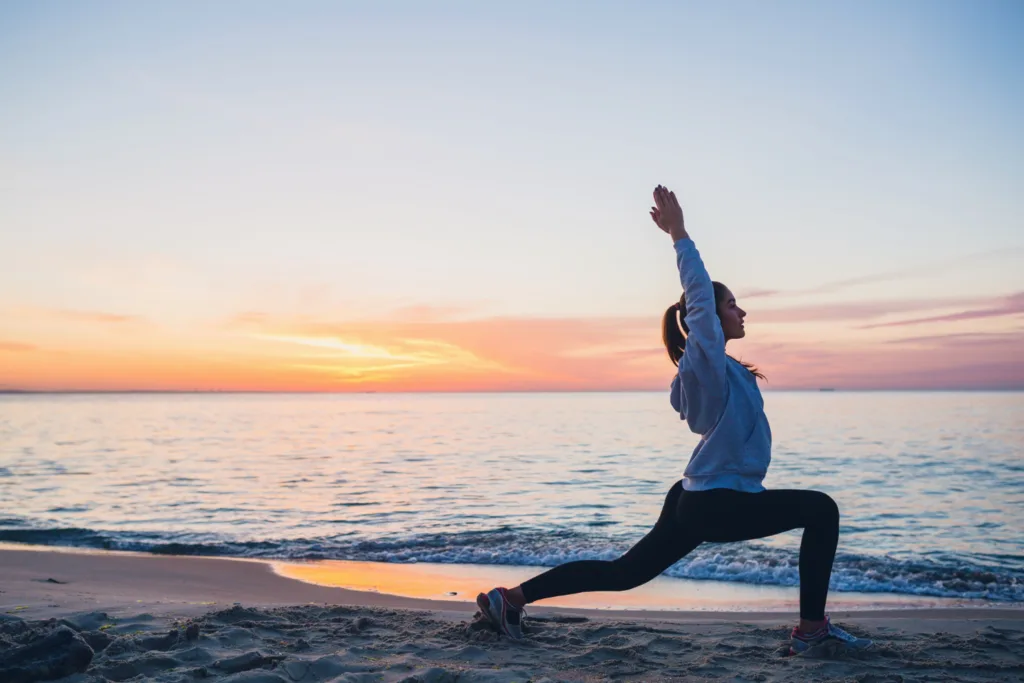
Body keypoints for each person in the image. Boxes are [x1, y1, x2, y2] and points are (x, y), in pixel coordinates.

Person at [477, 185, 873, 656]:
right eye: (732, 305)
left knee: (623, 574)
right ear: (705, 316)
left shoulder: (722, 369)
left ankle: (510, 599)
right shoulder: (702, 361)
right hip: (715, 501)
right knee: (821, 509)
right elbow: (700, 299)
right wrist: (679, 234)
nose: (741, 311)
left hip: (698, 494)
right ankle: (812, 630)